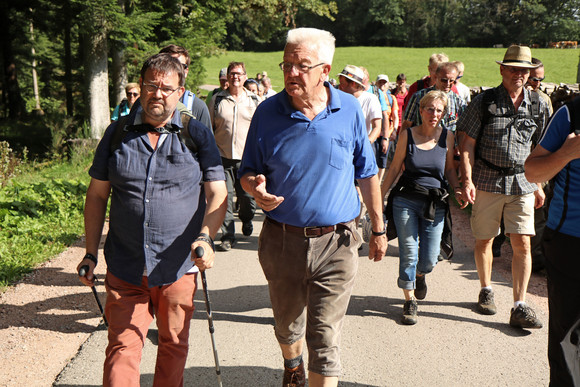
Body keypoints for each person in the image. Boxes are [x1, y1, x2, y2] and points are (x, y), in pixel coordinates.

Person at [239, 27, 387, 387]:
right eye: (287, 64)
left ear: (325, 69)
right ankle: (292, 365)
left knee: (324, 337)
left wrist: (378, 229)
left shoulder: (349, 110)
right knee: (288, 324)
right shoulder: (267, 113)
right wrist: (255, 190)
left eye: (301, 65)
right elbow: (247, 172)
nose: (291, 73)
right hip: (282, 240)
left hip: (337, 242)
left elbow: (367, 174)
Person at [78, 53, 227, 386]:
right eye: (150, 85)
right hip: (126, 266)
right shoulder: (116, 134)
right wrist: (90, 252)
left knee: (173, 346)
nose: (157, 93)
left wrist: (206, 237)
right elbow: (97, 195)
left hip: (177, 267)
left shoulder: (197, 135)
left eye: (166, 88)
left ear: (180, 92)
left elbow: (218, 194)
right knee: (122, 348)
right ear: (141, 86)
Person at [458, 45, 549, 329]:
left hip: (523, 182)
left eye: (524, 70)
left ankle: (519, 305)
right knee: (485, 240)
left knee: (522, 242)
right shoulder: (484, 101)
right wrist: (467, 180)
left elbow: (544, 147)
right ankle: (486, 289)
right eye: (513, 69)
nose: (519, 75)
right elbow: (466, 144)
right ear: (502, 69)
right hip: (487, 180)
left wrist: (539, 183)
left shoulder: (540, 103)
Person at [381, 90, 464, 325]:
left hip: (435, 202)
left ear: (444, 113)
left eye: (439, 110)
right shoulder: (407, 135)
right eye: (430, 109)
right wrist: (380, 195)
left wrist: (457, 188)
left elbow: (449, 169)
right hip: (406, 199)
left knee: (429, 258)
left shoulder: (447, 136)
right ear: (421, 110)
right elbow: (395, 167)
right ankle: (409, 301)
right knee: (408, 251)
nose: (434, 114)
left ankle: (420, 275)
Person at [525, 96, 580, 385]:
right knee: (567, 337)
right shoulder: (572, 112)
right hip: (570, 243)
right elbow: (532, 170)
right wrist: (567, 154)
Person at [209, 61, 259, 251]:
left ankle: (247, 219)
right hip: (222, 157)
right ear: (227, 77)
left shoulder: (254, 101)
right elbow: (209, 128)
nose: (235, 77)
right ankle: (228, 236)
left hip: (247, 159)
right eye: (232, 74)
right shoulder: (217, 100)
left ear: (245, 77)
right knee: (225, 197)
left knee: (247, 198)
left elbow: (261, 129)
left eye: (239, 74)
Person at [402, 62, 466, 134]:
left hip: (447, 143)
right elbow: (407, 124)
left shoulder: (458, 101)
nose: (448, 84)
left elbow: (462, 129)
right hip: (421, 142)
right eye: (444, 80)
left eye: (451, 81)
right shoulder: (418, 97)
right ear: (436, 77)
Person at [159, 44, 212, 130]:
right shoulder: (144, 103)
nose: (175, 70)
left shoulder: (197, 107)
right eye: (169, 64)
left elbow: (206, 142)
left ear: (186, 71)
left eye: (180, 66)